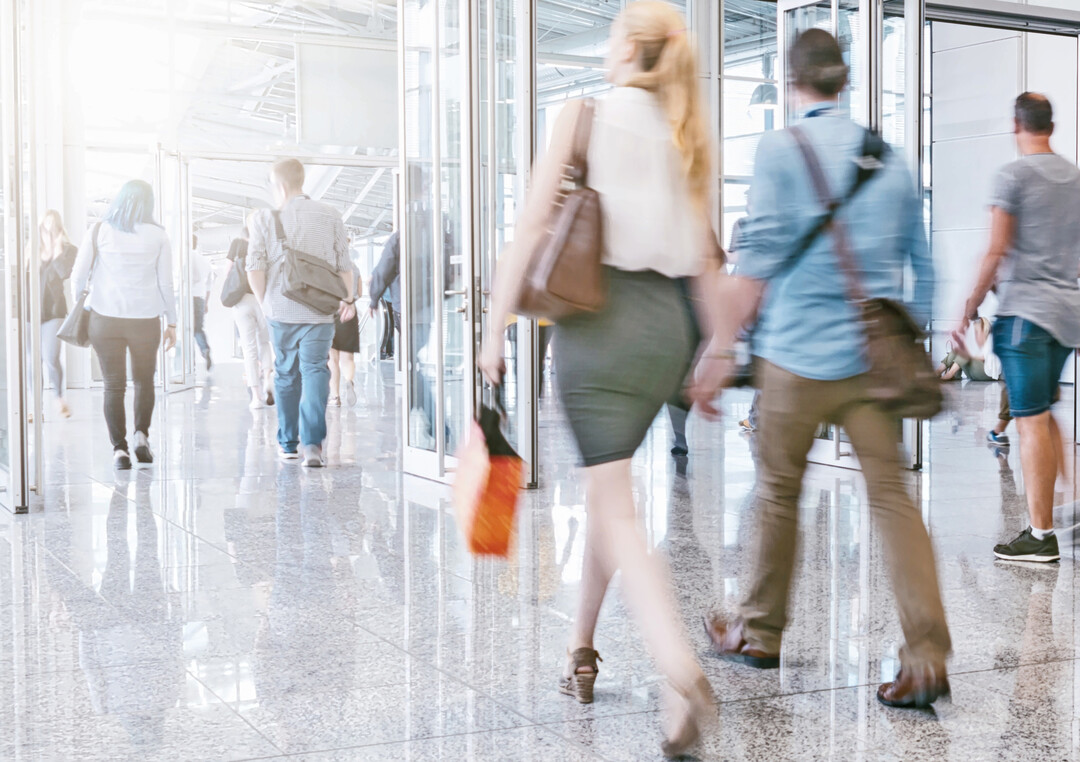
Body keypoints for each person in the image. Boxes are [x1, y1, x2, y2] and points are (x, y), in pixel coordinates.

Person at [479, 4, 717, 755]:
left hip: (601, 325)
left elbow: (527, 229)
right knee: (609, 491)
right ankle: (581, 647)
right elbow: (708, 264)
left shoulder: (580, 115)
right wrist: (716, 353)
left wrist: (493, 331)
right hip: (667, 332)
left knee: (616, 508)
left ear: (623, 47)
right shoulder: (686, 133)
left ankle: (681, 673)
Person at [694, 29, 951, 709]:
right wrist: (905, 335)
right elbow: (923, 271)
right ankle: (926, 657)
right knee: (893, 502)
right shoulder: (890, 159)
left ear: (791, 83)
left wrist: (721, 350)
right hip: (871, 367)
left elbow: (756, 264)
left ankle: (760, 633)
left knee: (779, 494)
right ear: (845, 82)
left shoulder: (780, 151)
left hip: (793, 362)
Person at [958, 92, 1080, 563]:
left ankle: (1040, 535)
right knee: (1044, 415)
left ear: (1016, 125)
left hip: (1025, 317)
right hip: (1065, 316)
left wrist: (969, 304)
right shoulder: (1073, 177)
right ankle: (1062, 510)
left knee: (1030, 423)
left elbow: (996, 249)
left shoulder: (1012, 176)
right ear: (1051, 125)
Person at [247, 158, 357, 468]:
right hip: (320, 311)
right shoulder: (330, 214)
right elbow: (343, 266)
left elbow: (254, 266)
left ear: (279, 184)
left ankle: (288, 444)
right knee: (315, 371)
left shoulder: (263, 219)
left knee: (285, 373)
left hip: (280, 309)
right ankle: (313, 447)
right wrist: (347, 299)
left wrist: (265, 302)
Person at [72, 180, 178, 470]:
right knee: (144, 380)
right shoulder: (159, 236)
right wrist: (173, 322)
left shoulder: (99, 230)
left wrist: (78, 304)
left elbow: (78, 276)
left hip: (105, 319)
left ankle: (119, 450)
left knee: (113, 385)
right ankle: (141, 434)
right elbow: (166, 283)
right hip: (145, 320)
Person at [226, 216, 275, 410]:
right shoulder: (267, 244)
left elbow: (228, 269)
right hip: (263, 299)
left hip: (242, 300)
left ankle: (256, 397)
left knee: (248, 348)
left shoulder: (237, 243)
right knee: (265, 343)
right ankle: (268, 379)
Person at [38, 210, 78, 419]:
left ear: (60, 229)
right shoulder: (32, 250)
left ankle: (59, 398)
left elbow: (64, 272)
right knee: (30, 361)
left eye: (54, 227)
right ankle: (34, 407)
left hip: (54, 311)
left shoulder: (69, 250)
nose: (49, 232)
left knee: (51, 357)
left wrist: (56, 249)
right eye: (46, 227)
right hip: (30, 311)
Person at [329, 259, 362, 407]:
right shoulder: (354, 267)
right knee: (347, 358)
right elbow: (360, 293)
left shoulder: (329, 264)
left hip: (331, 313)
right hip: (350, 313)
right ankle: (349, 381)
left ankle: (335, 397)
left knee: (332, 360)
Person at [368, 231, 400, 360]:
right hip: (398, 300)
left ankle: (390, 352)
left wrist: (373, 300)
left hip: (395, 300)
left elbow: (381, 274)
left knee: (390, 326)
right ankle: (391, 352)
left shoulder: (397, 239)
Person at [190, 233, 213, 371]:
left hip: (186, 298)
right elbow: (209, 285)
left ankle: (187, 363)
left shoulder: (184, 258)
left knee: (184, 331)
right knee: (197, 328)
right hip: (200, 298)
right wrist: (206, 303)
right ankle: (205, 349)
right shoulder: (204, 260)